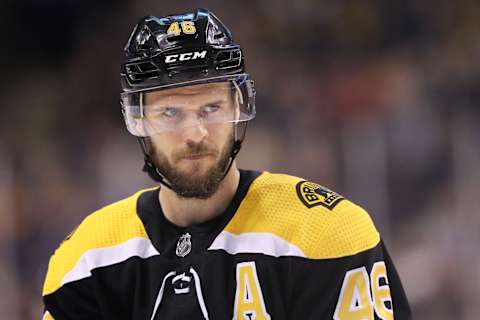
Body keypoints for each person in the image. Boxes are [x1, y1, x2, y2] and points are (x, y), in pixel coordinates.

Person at [42, 8, 411, 320]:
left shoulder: (325, 235)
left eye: (211, 108)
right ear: (139, 122)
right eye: (170, 112)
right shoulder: (89, 261)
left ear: (239, 108)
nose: (195, 133)